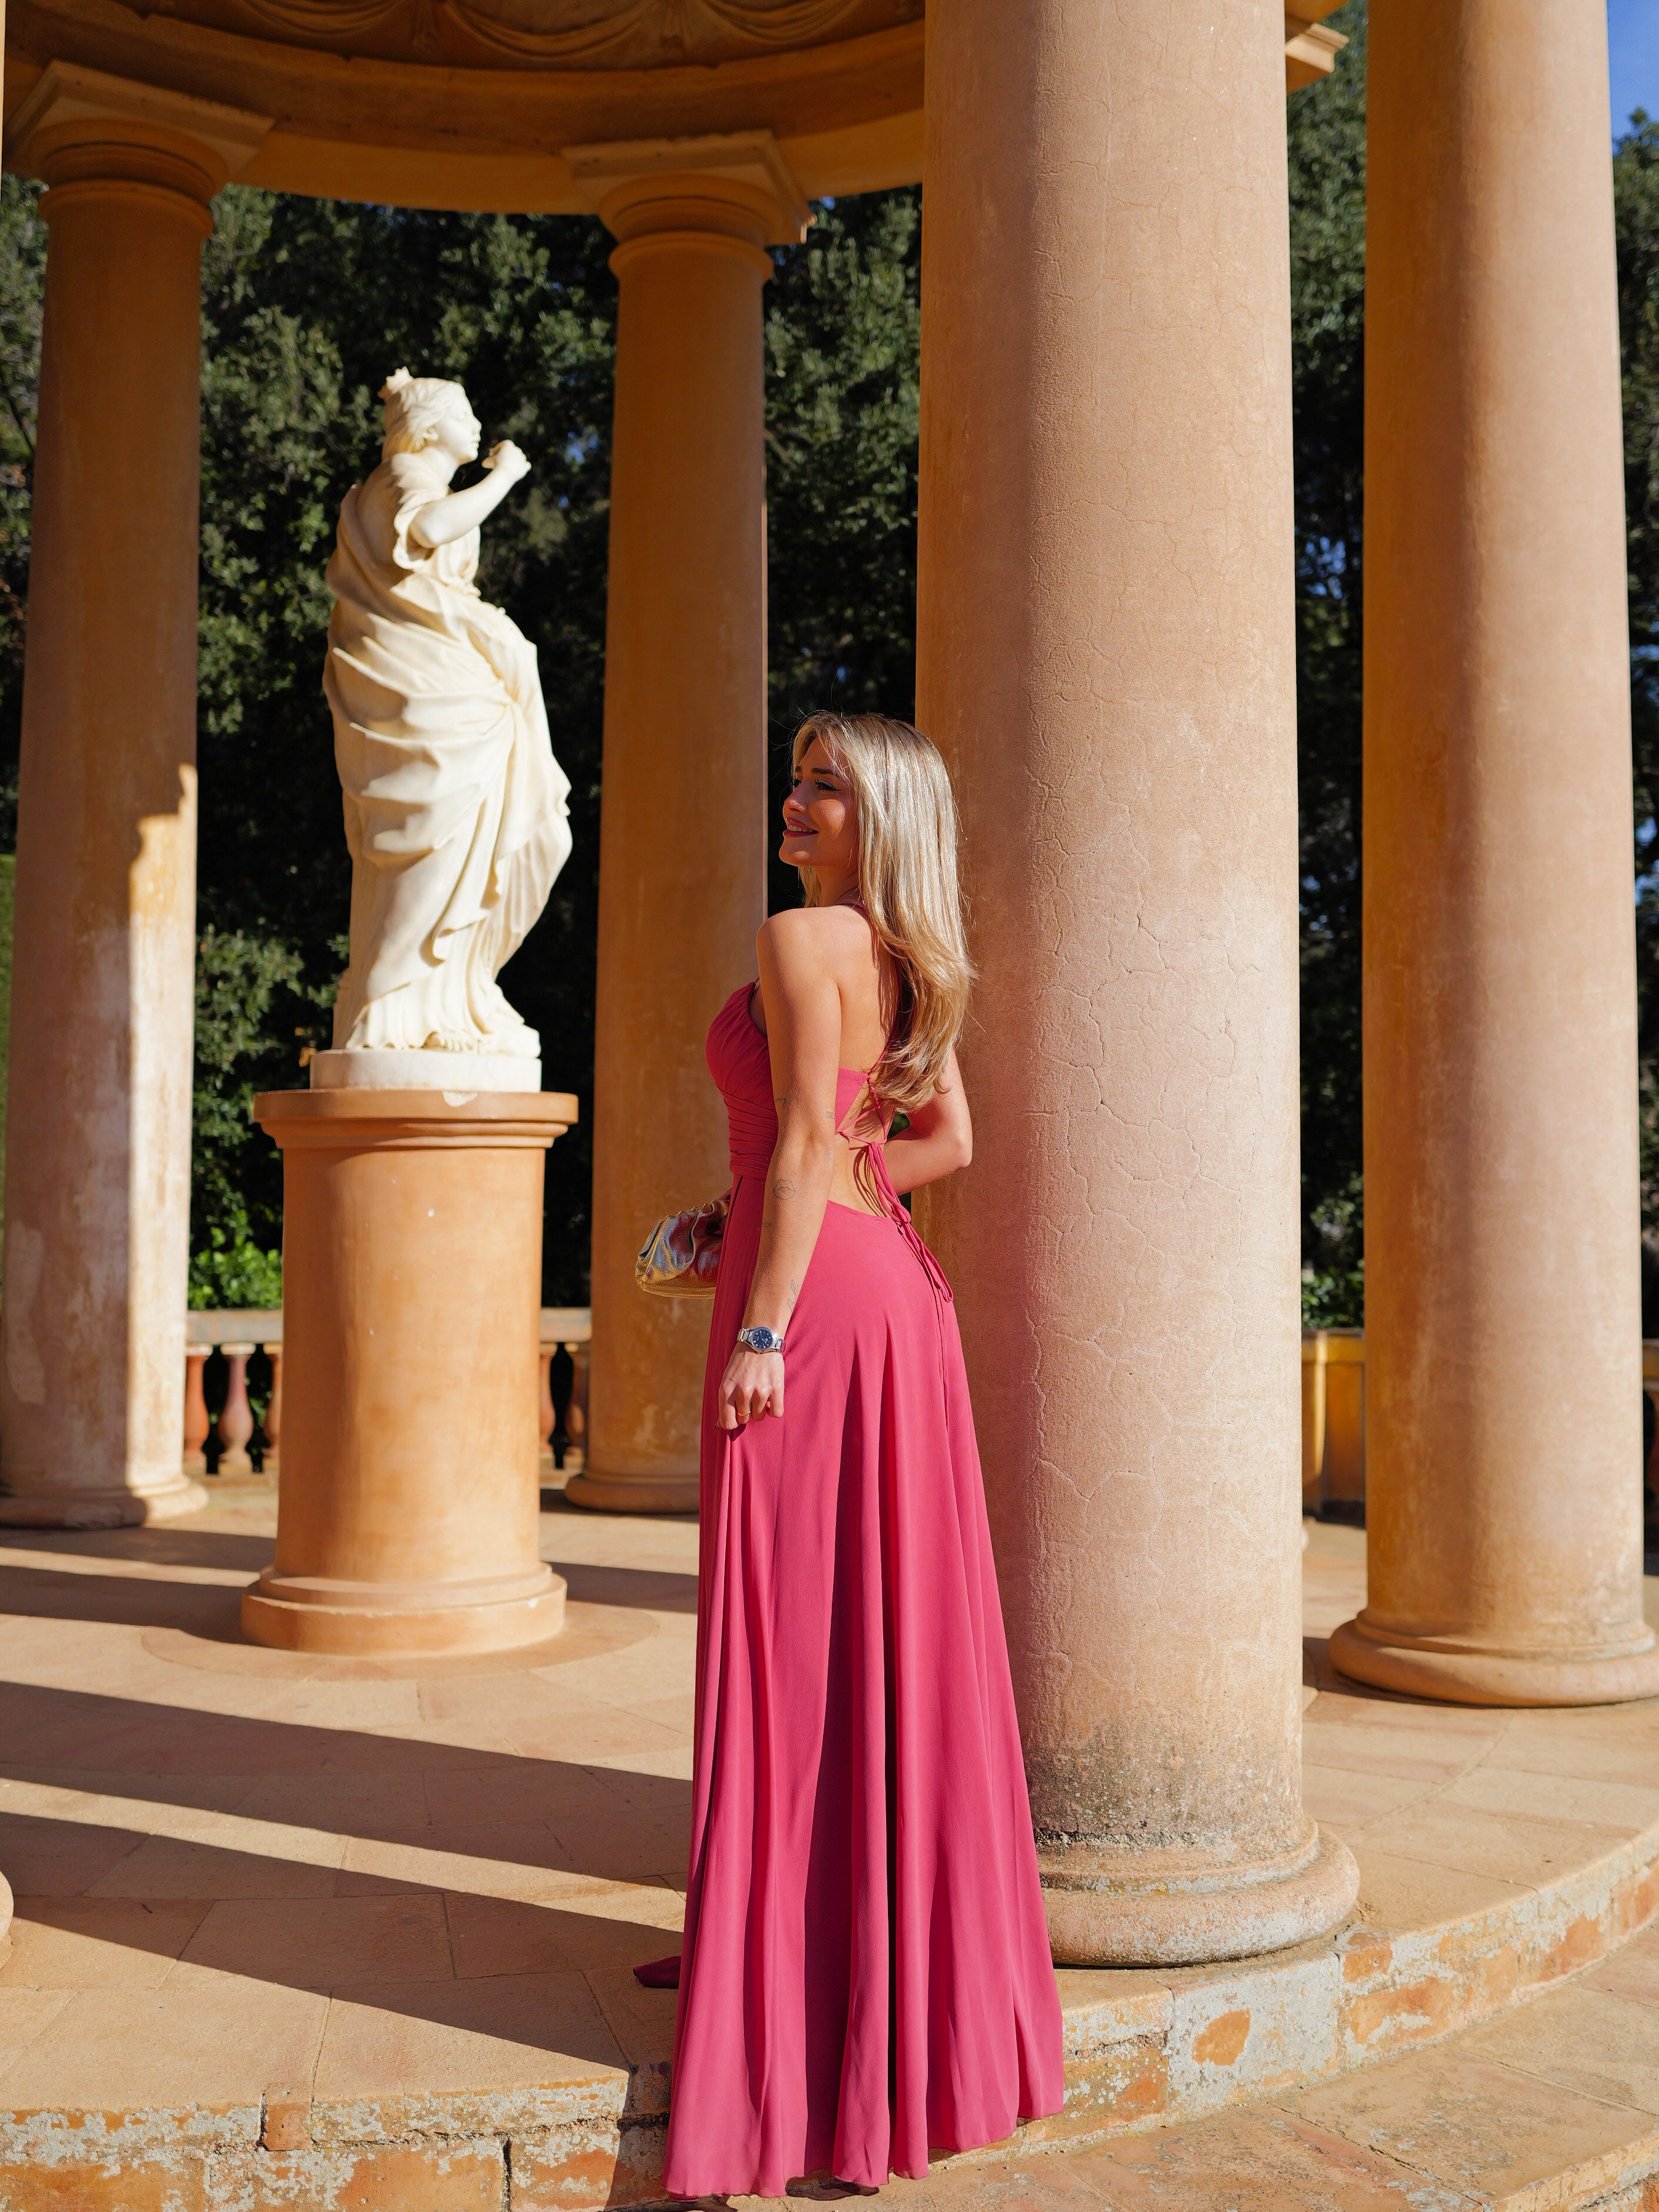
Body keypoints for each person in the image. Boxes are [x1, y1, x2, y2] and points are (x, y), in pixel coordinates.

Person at [648, 712, 1064, 2198]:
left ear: (875, 812)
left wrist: (759, 1320)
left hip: (814, 1309)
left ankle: (782, 1997)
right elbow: (933, 1139)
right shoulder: (901, 955)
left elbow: (810, 1141)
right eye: (798, 774)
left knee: (785, 1635)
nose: (795, 795)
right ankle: (778, 1960)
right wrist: (751, 1216)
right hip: (882, 1284)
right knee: (858, 1638)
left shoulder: (801, 933)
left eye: (825, 783)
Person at [323, 369, 571, 1057]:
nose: (478, 428)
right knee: (431, 836)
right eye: (465, 416)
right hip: (423, 695)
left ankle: (457, 989)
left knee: (519, 836)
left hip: (457, 682)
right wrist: (503, 479)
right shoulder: (402, 476)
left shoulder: (417, 479)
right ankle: (391, 999)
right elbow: (429, 527)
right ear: (430, 427)